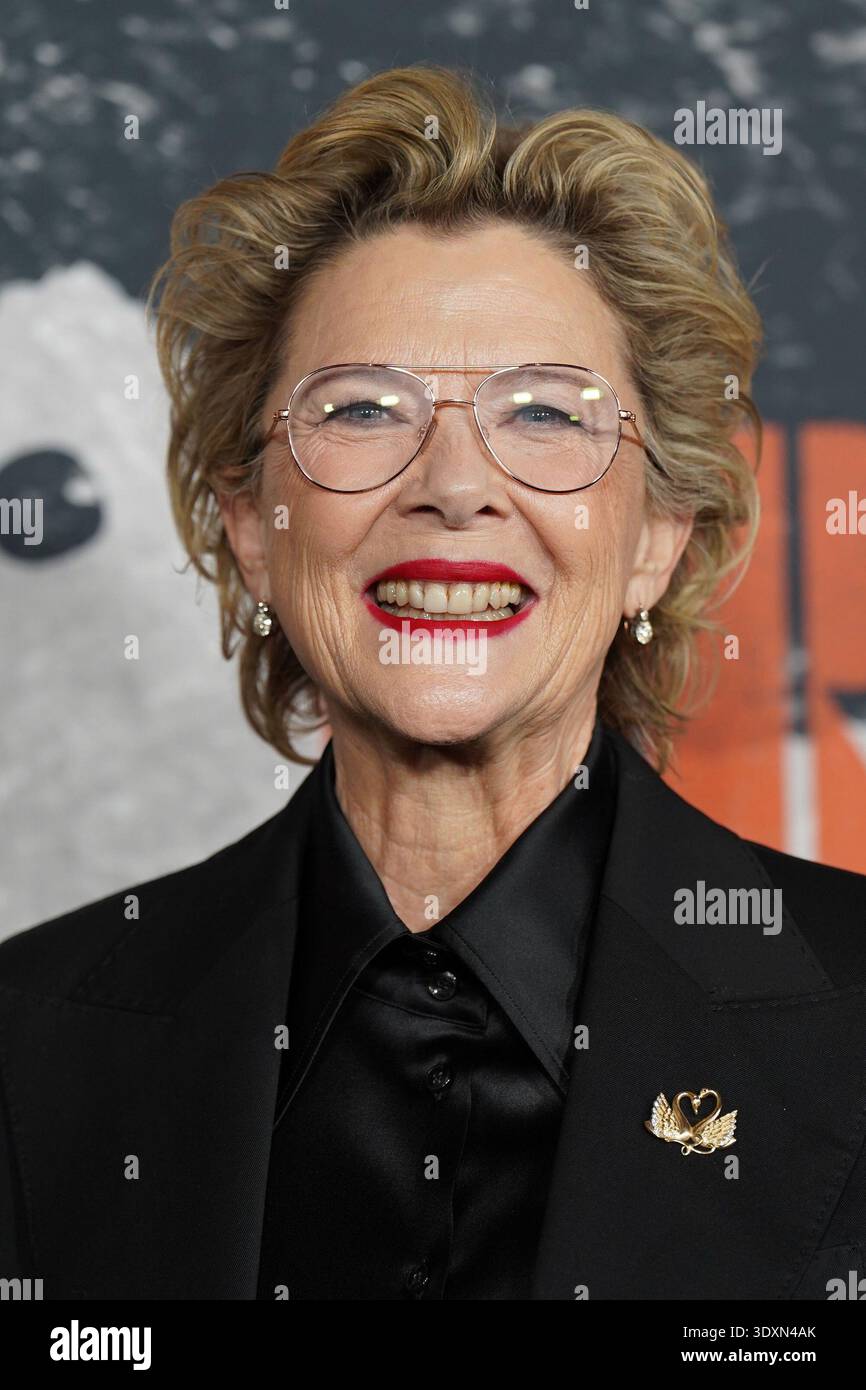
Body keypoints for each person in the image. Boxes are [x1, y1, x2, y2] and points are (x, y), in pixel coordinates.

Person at [1, 65, 864, 1302]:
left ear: (657, 535)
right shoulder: (30, 1046)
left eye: (546, 416)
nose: (451, 482)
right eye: (360, 408)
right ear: (250, 523)